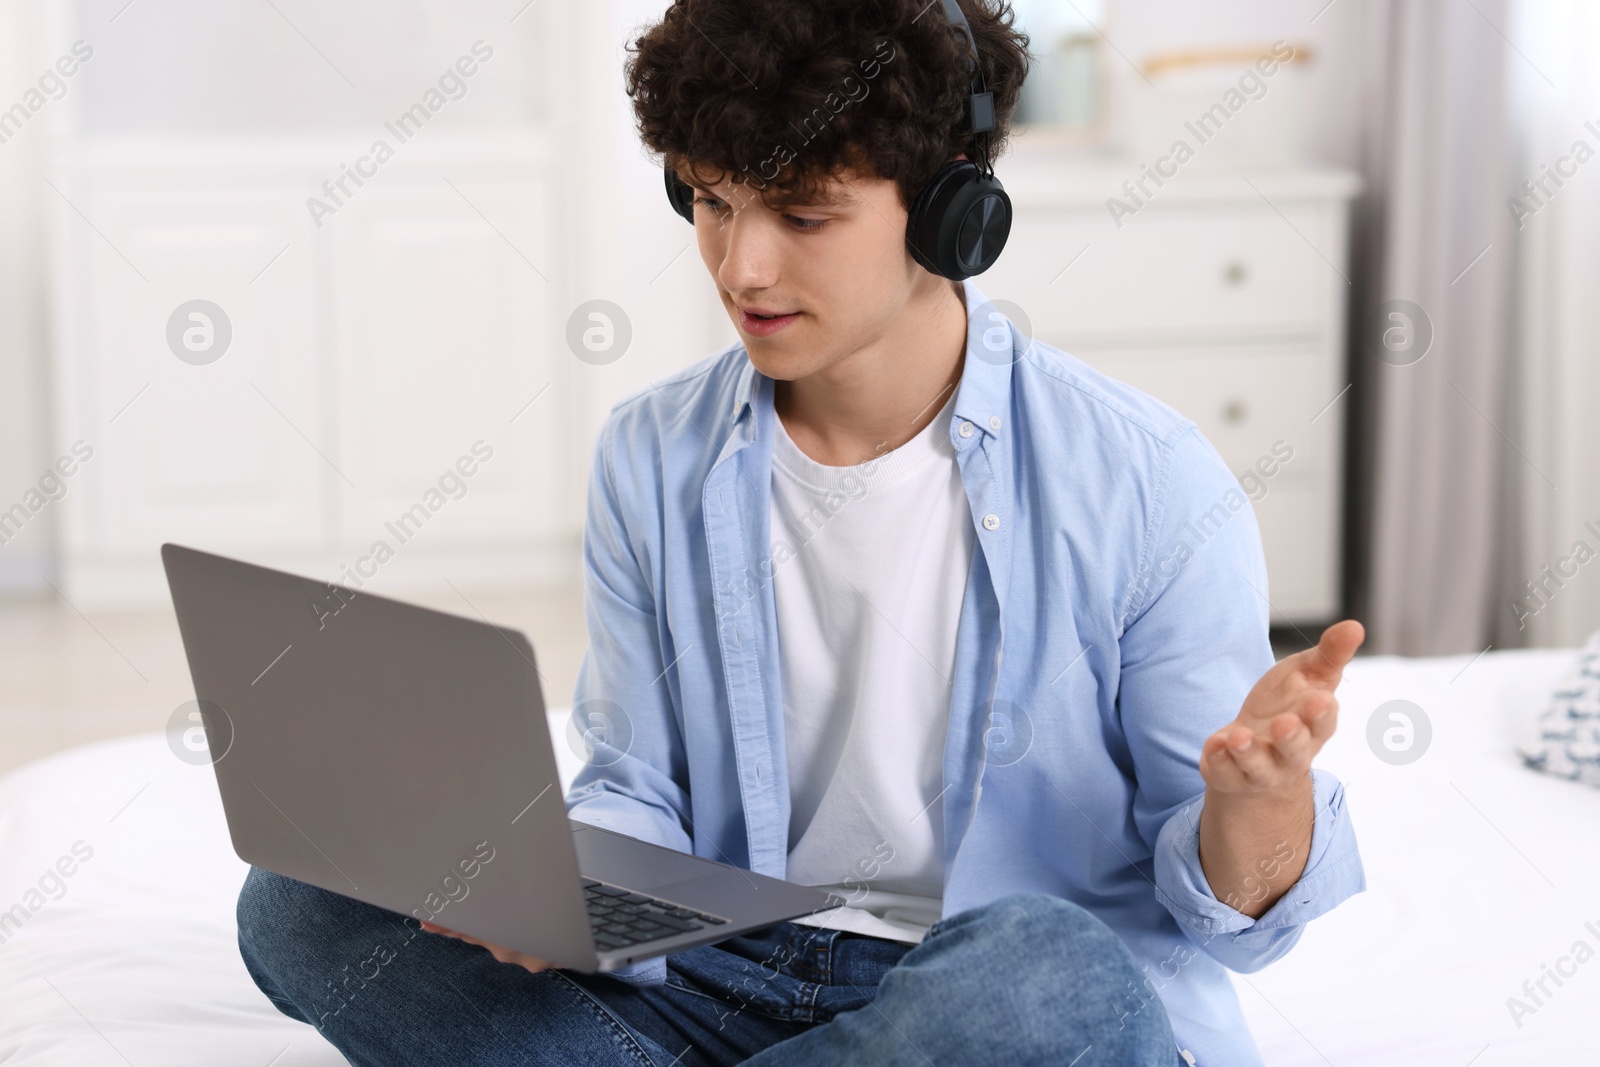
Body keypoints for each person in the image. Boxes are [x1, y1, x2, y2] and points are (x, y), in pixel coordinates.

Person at [237, 1, 1366, 1063]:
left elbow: (1232, 924)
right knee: (306, 900)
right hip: (727, 970)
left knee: (1048, 976)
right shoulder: (652, 453)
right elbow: (637, 780)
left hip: (978, 982)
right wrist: (567, 891)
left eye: (802, 214)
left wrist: (1259, 804)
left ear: (951, 212)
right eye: (713, 203)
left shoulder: (1149, 478)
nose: (742, 267)